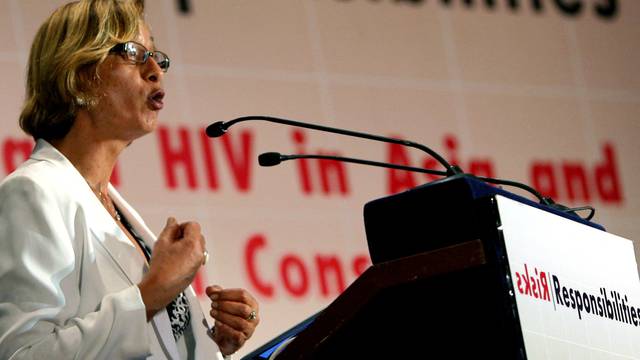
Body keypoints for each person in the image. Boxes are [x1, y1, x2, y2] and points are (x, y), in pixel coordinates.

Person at [0, 0, 259, 359]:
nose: (156, 71)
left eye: (157, 57)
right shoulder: (32, 192)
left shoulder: (116, 210)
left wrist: (209, 345)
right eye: (135, 53)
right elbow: (23, 353)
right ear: (79, 73)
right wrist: (153, 292)